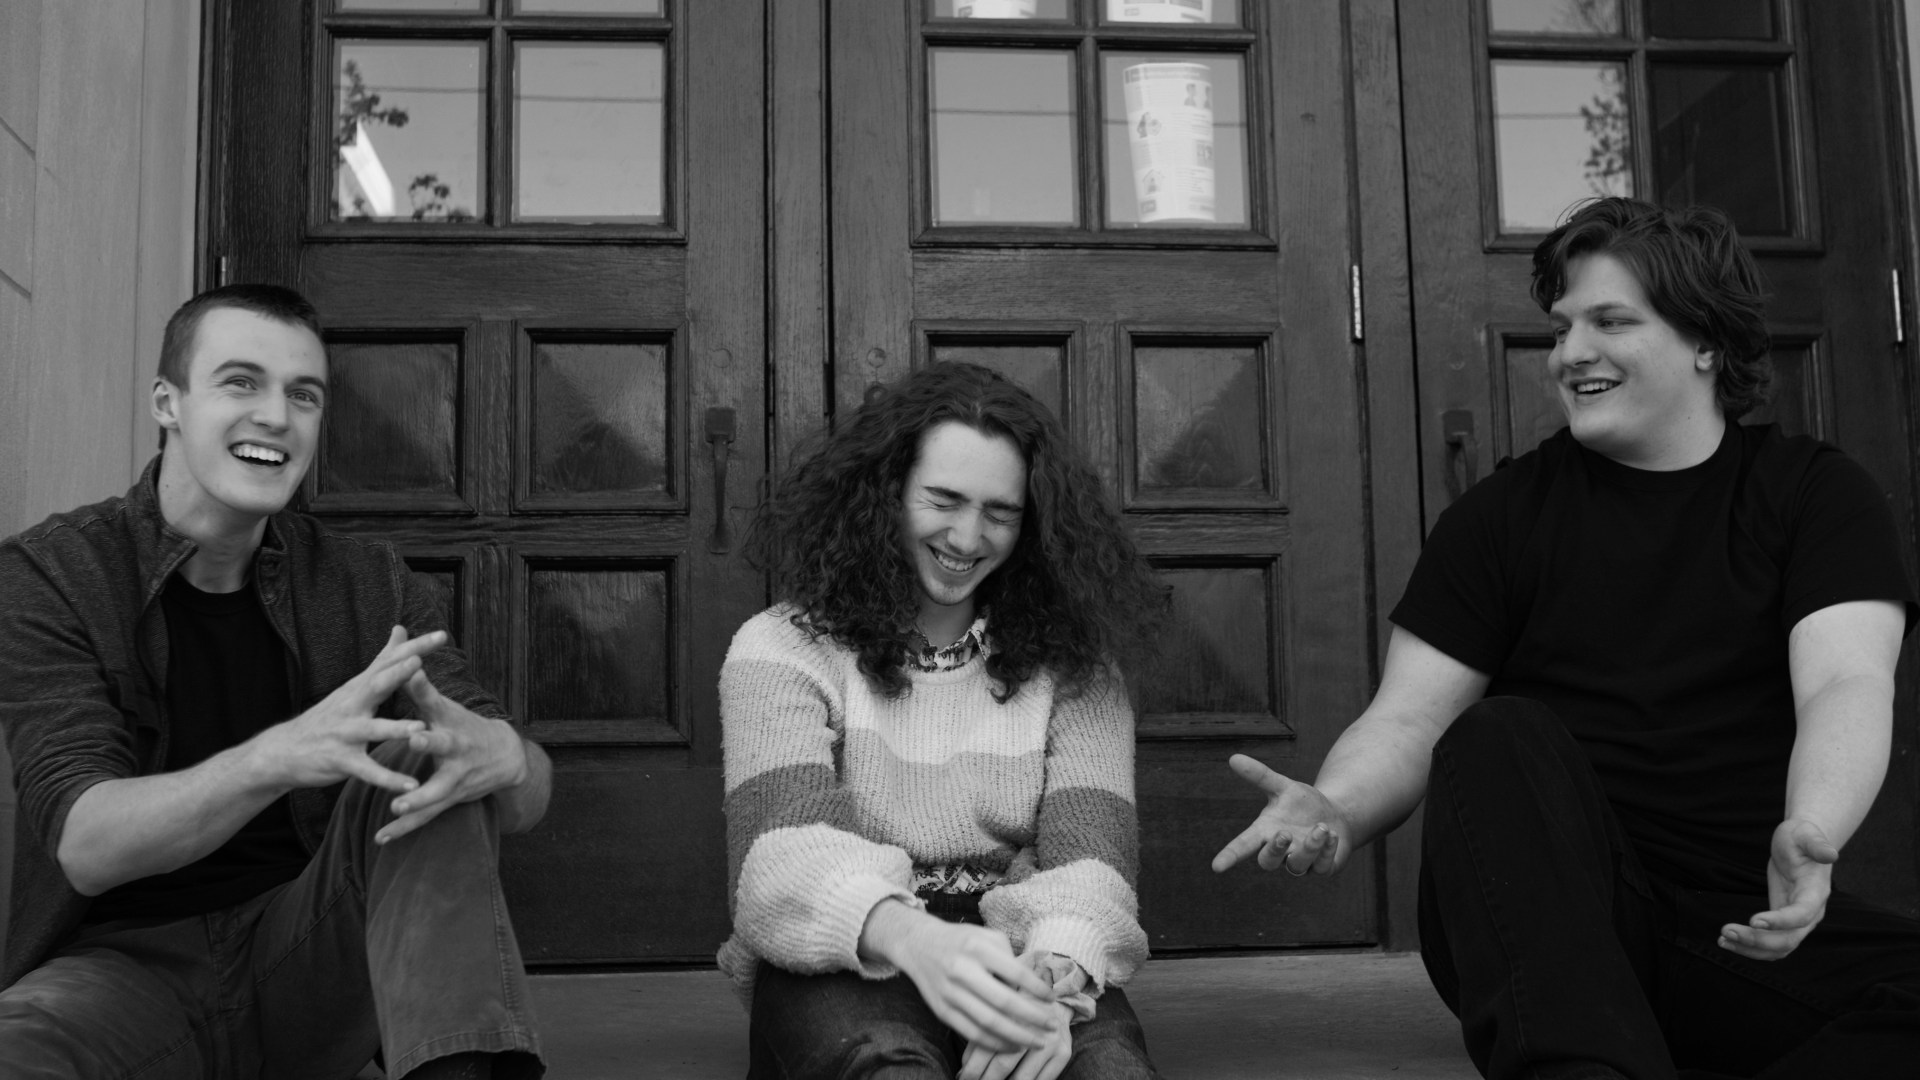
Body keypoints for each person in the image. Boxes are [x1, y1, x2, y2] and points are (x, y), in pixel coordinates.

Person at [1214, 197, 1920, 1079]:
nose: (1570, 353)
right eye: (1562, 328)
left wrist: (1813, 826)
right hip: (1545, 926)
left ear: (1707, 341)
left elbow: (1845, 682)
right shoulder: (1502, 517)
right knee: (1498, 732)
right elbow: (1409, 720)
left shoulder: (1815, 495)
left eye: (1610, 322)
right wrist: (1338, 807)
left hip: (1742, 923)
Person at [0, 284, 552, 1079]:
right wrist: (281, 755)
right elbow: (87, 847)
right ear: (167, 402)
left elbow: (524, 798)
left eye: (303, 395)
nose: (275, 416)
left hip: (309, 959)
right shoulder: (54, 574)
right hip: (118, 976)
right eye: (240, 382)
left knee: (436, 757)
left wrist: (505, 758)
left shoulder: (367, 583)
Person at [719, 362, 1168, 1080]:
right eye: (944, 500)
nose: (967, 536)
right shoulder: (779, 648)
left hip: (1023, 947)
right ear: (886, 493)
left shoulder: (1079, 671)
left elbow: (1093, 863)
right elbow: (779, 862)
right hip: (853, 949)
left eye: (1001, 512)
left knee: (1109, 1071)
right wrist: (917, 941)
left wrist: (1054, 980)